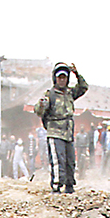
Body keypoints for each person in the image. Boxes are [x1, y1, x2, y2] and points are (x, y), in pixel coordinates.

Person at [34, 62, 87, 193]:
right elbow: (38, 111)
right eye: (59, 78)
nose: (62, 80)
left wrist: (76, 73)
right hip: (55, 132)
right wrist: (42, 105)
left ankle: (69, 186)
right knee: (58, 161)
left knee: (70, 161)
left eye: (64, 77)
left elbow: (84, 87)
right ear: (55, 79)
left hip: (68, 133)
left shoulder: (70, 93)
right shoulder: (50, 95)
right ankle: (56, 187)